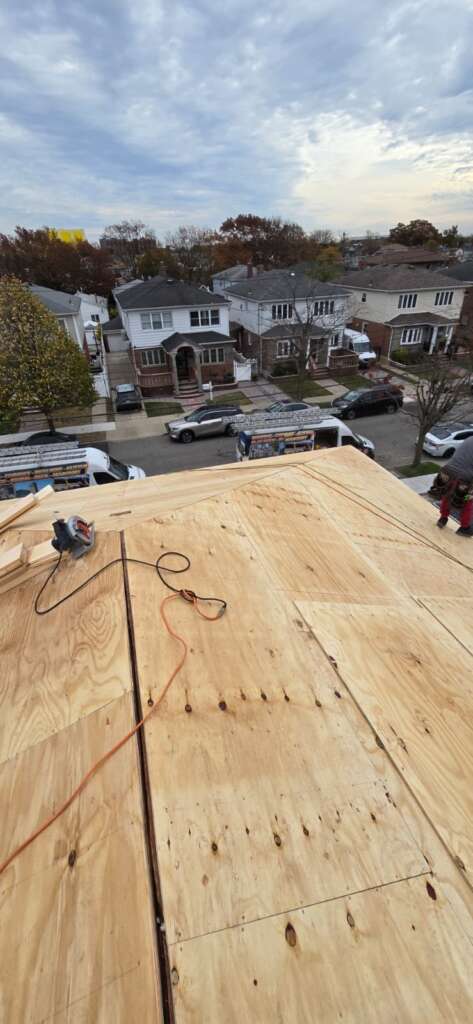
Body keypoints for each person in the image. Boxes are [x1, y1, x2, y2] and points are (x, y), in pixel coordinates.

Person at [435, 435, 473, 536]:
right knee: (467, 501)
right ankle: (464, 528)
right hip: (464, 478)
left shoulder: (470, 438)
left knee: (447, 495)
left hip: (448, 471)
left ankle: (443, 518)